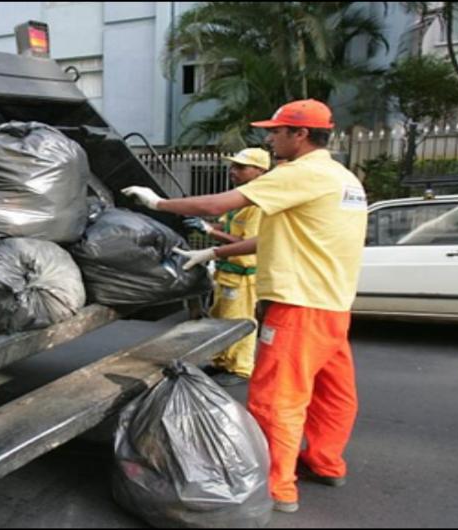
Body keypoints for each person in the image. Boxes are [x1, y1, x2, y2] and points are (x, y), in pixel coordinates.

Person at [121, 99, 367, 514]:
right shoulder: (344, 179)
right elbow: (282, 237)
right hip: (333, 306)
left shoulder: (301, 173)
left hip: (298, 306)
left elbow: (217, 205)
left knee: (277, 400)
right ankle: (326, 462)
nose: (270, 140)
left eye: (276, 132)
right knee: (333, 394)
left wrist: (156, 204)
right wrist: (214, 255)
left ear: (300, 134)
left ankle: (278, 487)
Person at [182, 148, 270, 387]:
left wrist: (210, 233)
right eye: (233, 166)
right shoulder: (240, 200)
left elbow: (245, 244)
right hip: (227, 273)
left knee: (238, 322)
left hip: (243, 277)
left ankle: (240, 368)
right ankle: (221, 361)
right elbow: (223, 225)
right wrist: (204, 224)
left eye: (241, 167)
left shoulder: (258, 206)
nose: (233, 171)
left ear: (260, 172)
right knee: (221, 319)